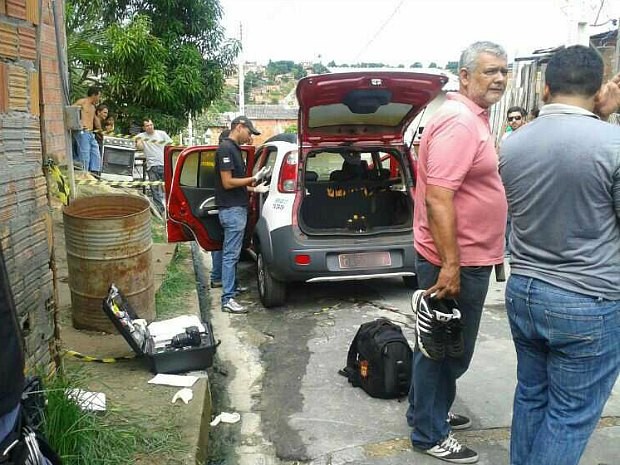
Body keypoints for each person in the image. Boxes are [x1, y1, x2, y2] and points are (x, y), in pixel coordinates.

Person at [499, 45, 620, 465]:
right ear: (599, 88)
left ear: (545, 87)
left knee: (531, 397)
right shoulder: (613, 143)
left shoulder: (514, 144)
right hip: (587, 300)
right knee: (569, 417)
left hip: (524, 290)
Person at [407, 41, 508, 463]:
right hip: (455, 261)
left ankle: (428, 411)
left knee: (436, 343)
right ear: (464, 77)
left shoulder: (473, 119)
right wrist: (451, 265)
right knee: (447, 347)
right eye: (489, 71)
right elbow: (438, 198)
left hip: (465, 256)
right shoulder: (460, 123)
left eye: (504, 70)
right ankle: (430, 432)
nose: (499, 78)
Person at [215, 116, 269, 314]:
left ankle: (233, 288)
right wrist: (253, 178)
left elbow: (234, 184)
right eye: (249, 132)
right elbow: (228, 182)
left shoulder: (234, 149)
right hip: (232, 210)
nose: (249, 137)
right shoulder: (225, 149)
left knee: (234, 253)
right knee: (231, 255)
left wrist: (255, 189)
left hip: (235, 207)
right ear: (239, 127)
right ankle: (227, 299)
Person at [501, 106, 527, 256]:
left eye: (517, 118)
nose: (514, 121)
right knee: (509, 216)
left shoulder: (532, 136)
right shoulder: (506, 138)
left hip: (529, 182)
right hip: (511, 181)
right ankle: (510, 248)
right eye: (510, 119)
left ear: (524, 119)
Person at [136, 119, 172, 215]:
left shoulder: (162, 134)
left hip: (164, 164)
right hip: (151, 166)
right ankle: (160, 210)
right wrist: (139, 142)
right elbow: (139, 147)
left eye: (151, 124)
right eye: (147, 125)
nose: (150, 127)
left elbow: (171, 145)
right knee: (154, 190)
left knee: (168, 188)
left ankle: (171, 207)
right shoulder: (141, 136)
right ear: (144, 128)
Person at [210, 129, 230, 289]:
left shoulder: (212, 157)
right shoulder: (225, 156)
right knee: (224, 246)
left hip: (215, 204)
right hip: (224, 204)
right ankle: (218, 277)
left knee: (218, 243)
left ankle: (218, 277)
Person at [73, 86, 102, 174]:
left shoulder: (93, 107)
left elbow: (95, 119)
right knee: (84, 154)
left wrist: (101, 130)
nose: (99, 98)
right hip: (82, 132)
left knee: (95, 152)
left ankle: (94, 173)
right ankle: (84, 173)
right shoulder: (82, 102)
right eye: (99, 96)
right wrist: (79, 123)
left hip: (90, 133)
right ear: (94, 95)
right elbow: (71, 110)